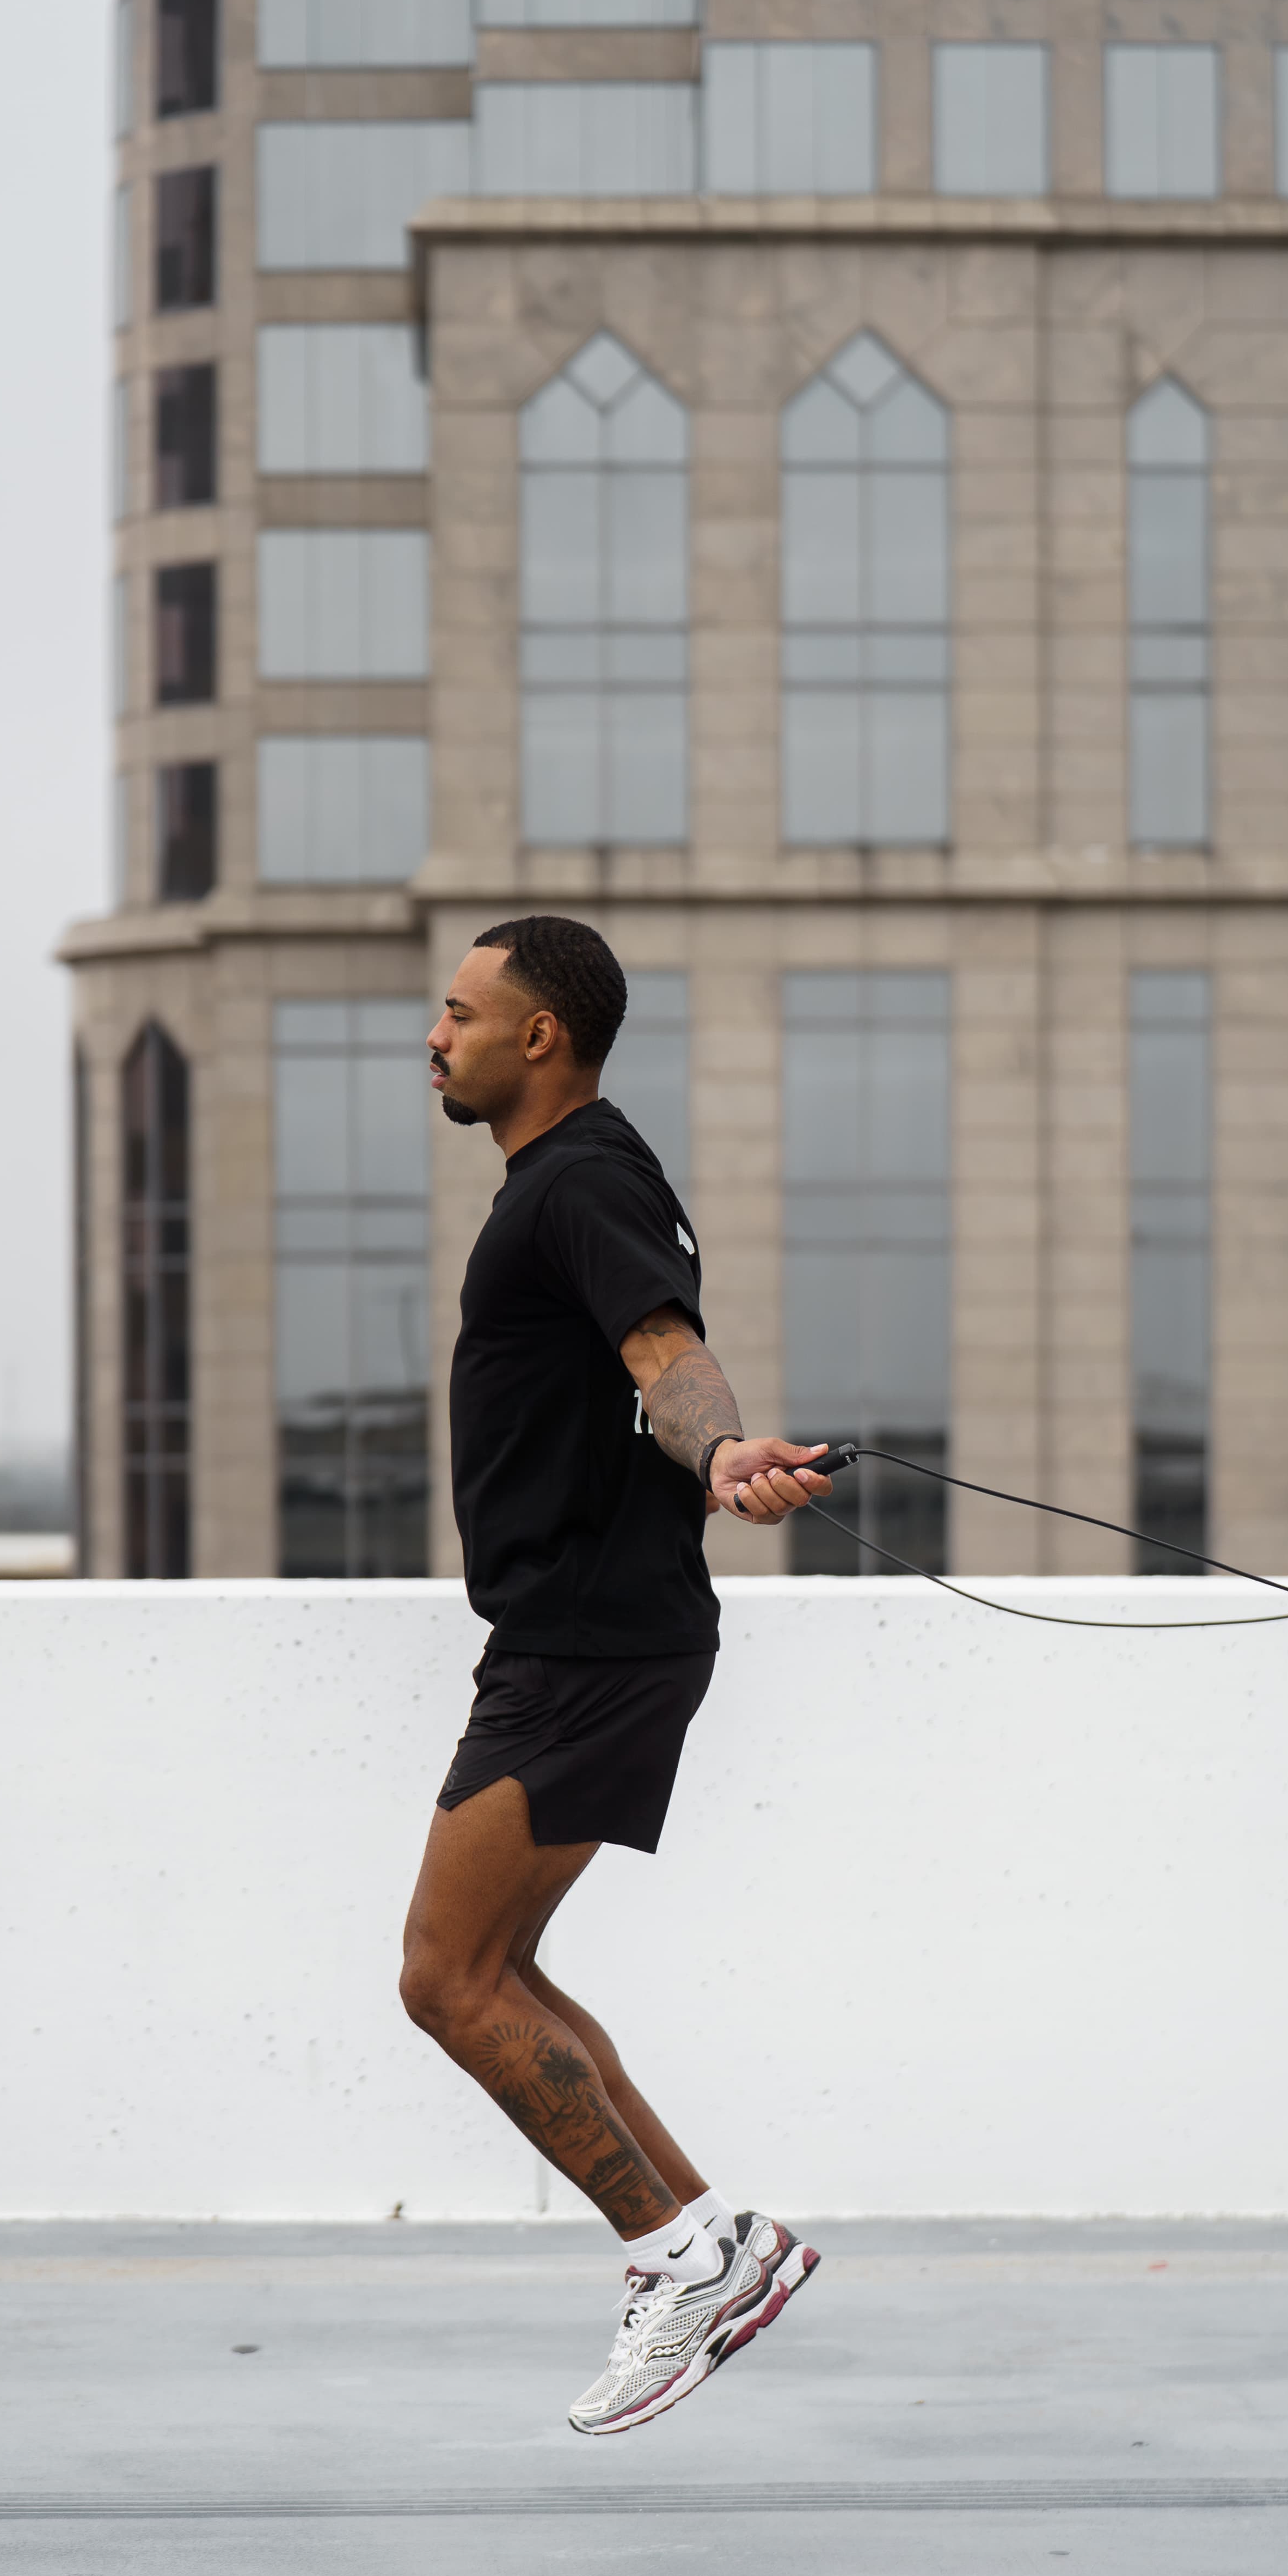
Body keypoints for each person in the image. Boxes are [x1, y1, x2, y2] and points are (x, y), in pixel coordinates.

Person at [398, 915, 832, 2437]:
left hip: (587, 1642)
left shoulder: (583, 1182)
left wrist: (719, 1450)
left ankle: (672, 2258)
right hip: (586, 1633)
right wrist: (709, 1453)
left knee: (446, 1979)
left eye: (457, 1014)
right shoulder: (582, 1179)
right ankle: (713, 2239)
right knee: (499, 1972)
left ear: (538, 1038)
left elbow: (664, 1353)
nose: (432, 1037)